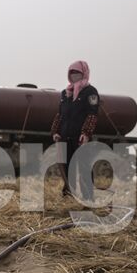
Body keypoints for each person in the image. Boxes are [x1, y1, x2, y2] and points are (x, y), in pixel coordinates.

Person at [50, 60, 99, 201]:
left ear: (84, 73)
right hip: (65, 136)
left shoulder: (90, 92)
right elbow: (60, 114)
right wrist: (55, 132)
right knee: (66, 167)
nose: (74, 75)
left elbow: (92, 114)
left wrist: (86, 133)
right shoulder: (65, 94)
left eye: (77, 72)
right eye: (71, 73)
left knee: (83, 168)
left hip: (80, 137)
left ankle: (88, 198)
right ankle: (68, 196)